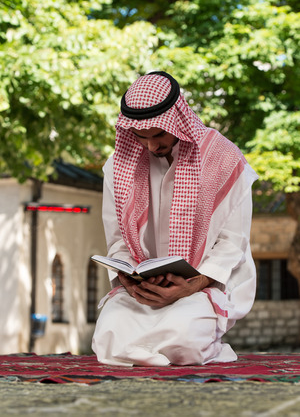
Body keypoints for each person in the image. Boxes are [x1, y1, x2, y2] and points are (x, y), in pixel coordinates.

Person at [92, 71, 258, 366]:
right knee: (109, 337)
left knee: (184, 340)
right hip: (145, 289)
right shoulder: (119, 166)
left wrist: (193, 285)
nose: (151, 146)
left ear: (177, 119)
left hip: (202, 284)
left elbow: (233, 243)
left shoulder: (224, 158)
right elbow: (118, 239)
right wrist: (128, 281)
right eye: (141, 138)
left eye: (158, 135)